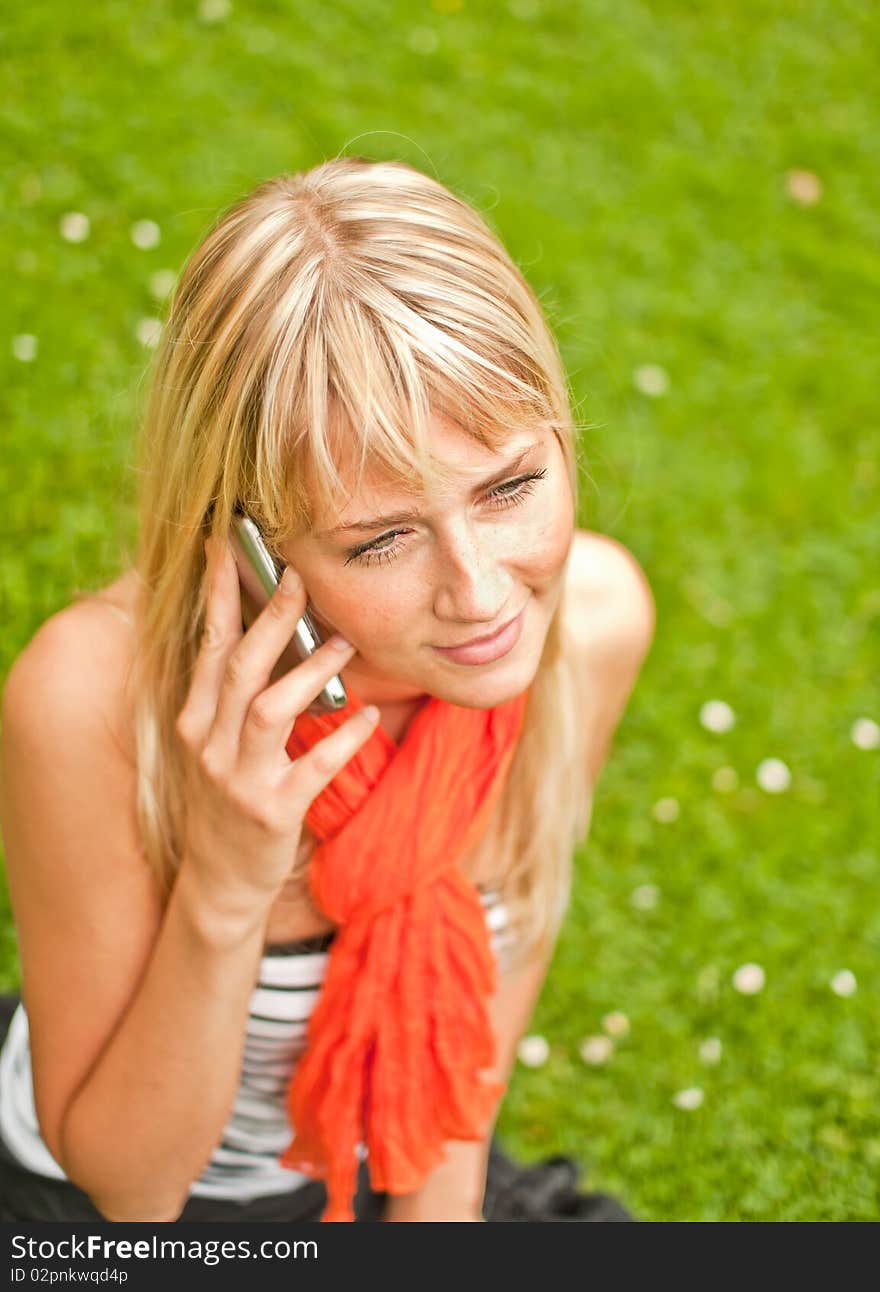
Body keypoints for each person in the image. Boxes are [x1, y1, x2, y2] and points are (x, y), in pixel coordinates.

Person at [0, 157, 655, 1223]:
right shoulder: (93, 700)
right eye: (382, 539)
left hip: (380, 1156)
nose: (483, 592)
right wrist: (222, 883)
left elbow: (464, 1081)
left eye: (511, 486)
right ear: (247, 543)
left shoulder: (589, 624)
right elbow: (129, 1184)